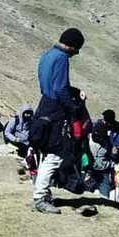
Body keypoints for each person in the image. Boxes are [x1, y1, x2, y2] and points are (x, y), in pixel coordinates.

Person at [31, 28, 85, 215]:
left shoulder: (47, 55)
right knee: (54, 156)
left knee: (46, 153)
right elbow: (60, 88)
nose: (76, 54)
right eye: (77, 49)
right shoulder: (61, 58)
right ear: (71, 45)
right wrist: (73, 107)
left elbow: (48, 83)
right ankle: (40, 197)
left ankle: (42, 193)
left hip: (43, 105)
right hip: (55, 110)